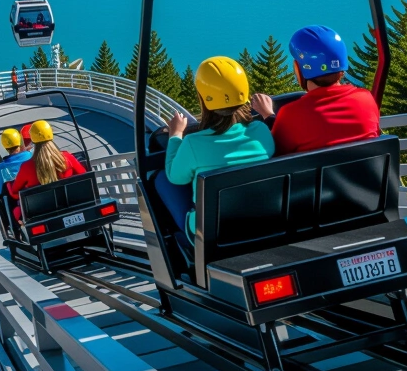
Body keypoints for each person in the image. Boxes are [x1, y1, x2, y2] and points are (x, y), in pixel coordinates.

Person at [156, 56, 274, 239]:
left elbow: (176, 177)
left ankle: (173, 240)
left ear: (204, 99)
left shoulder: (193, 142)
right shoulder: (261, 130)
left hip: (213, 234)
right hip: (264, 221)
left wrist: (176, 134)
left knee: (162, 178)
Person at [250, 25, 380, 155]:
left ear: (299, 68)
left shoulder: (292, 115)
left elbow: (274, 152)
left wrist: (268, 115)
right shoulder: (366, 100)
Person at [9, 119, 86, 221]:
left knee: (16, 211)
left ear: (33, 140)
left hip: (40, 212)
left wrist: (9, 185)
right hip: (72, 203)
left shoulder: (26, 167)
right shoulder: (67, 157)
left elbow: (15, 192)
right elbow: (84, 176)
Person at [0, 128, 33, 196]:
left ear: (4, 145)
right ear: (19, 141)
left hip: (17, 199)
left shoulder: (1, 167)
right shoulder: (31, 156)